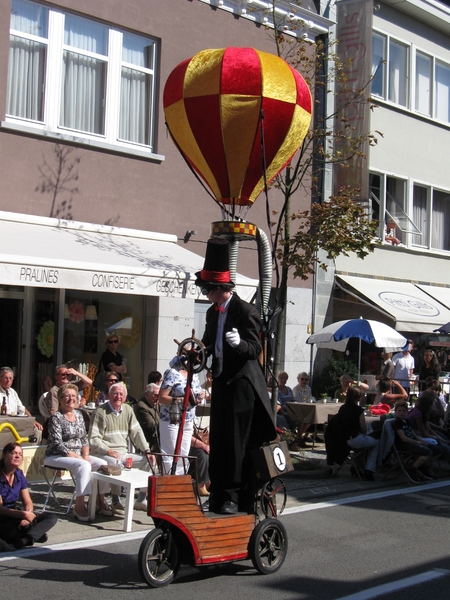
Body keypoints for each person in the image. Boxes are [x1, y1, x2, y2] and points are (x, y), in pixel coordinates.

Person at [195, 238, 276, 515]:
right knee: (218, 440)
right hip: (220, 382)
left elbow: (254, 350)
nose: (206, 295)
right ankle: (218, 493)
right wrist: (193, 354)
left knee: (236, 442)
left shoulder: (246, 312)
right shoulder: (211, 313)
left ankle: (234, 496)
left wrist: (238, 344)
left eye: (207, 290)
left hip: (242, 385)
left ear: (220, 289)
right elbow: (206, 344)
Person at [45, 384, 111, 521]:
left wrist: (85, 456)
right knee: (83, 465)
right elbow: (57, 444)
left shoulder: (79, 415)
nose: (71, 399)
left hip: (77, 455)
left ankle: (99, 500)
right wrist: (79, 458)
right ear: (60, 399)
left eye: (74, 396)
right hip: (56, 455)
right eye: (67, 396)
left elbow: (84, 439)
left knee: (102, 463)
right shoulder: (56, 417)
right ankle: (79, 505)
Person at [89, 382, 153, 514]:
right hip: (103, 453)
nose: (118, 397)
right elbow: (93, 439)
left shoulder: (128, 410)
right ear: (109, 395)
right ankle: (115, 500)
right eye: (115, 394)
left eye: (121, 394)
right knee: (115, 463)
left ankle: (141, 499)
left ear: (125, 397)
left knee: (149, 461)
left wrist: (147, 450)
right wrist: (109, 451)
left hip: (123, 452)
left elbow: (137, 432)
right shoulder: (100, 412)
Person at [0, 442, 57, 550]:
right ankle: (32, 535)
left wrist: (28, 516)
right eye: (13, 453)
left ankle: (25, 539)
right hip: (3, 517)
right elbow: (1, 509)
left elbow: (27, 501)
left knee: (51, 517)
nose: (17, 456)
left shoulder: (19, 474)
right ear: (4, 455)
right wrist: (22, 514)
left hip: (17, 515)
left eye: (20, 454)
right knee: (10, 531)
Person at [158, 356, 205, 477]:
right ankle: (169, 481)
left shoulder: (193, 374)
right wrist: (181, 400)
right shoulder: (172, 373)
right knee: (172, 451)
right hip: (171, 419)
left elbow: (197, 392)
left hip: (188, 419)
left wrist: (200, 396)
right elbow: (162, 397)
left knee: (184, 452)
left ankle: (181, 482)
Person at [337, 385, 379, 481]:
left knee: (362, 446)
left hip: (343, 438)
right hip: (354, 439)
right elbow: (363, 428)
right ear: (359, 397)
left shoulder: (342, 408)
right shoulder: (358, 410)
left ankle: (356, 466)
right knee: (375, 444)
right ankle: (369, 469)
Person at [392, 400, 441, 481]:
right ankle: (412, 468)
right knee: (427, 451)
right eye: (399, 411)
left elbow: (413, 435)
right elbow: (404, 438)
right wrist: (418, 442)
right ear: (395, 411)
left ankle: (424, 467)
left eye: (404, 411)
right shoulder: (397, 422)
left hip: (414, 441)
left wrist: (422, 441)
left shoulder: (407, 421)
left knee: (437, 450)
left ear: (407, 411)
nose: (402, 413)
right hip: (405, 445)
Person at [0, 367, 43, 440]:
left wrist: (32, 421)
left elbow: (22, 409)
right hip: (3, 425)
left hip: (15, 424)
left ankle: (30, 451)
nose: (8, 381)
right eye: (5, 378)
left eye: (10, 378)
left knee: (38, 430)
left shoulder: (13, 392)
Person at [407, 391, 450, 461]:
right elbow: (424, 433)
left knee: (445, 442)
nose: (433, 406)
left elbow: (429, 430)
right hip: (414, 436)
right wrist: (437, 438)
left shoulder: (423, 413)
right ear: (427, 406)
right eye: (432, 405)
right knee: (445, 447)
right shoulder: (418, 414)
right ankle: (426, 467)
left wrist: (442, 439)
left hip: (419, 434)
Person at [134, 383, 160, 453]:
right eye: (155, 395)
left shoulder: (157, 403)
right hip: (149, 444)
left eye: (159, 395)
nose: (157, 398)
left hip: (158, 441)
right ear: (147, 394)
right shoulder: (141, 407)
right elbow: (153, 426)